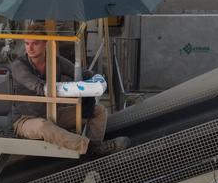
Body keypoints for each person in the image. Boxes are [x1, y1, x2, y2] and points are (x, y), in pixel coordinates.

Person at [10, 23, 130, 156]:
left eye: (35, 43)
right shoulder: (18, 65)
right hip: (25, 120)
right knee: (43, 126)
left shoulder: (55, 61)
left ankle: (95, 148)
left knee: (99, 111)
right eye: (27, 44)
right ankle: (91, 148)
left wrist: (97, 79)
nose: (30, 48)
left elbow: (82, 73)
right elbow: (38, 86)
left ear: (45, 43)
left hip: (52, 113)